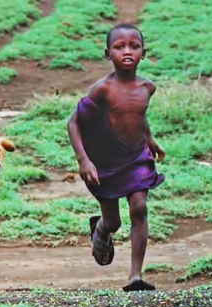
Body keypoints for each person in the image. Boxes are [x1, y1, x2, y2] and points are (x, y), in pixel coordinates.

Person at [66, 23, 165, 291]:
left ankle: (135, 275)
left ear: (143, 52)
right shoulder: (102, 90)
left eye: (134, 46)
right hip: (105, 164)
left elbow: (139, 116)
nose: (127, 51)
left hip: (136, 159)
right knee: (114, 222)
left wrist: (150, 139)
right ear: (108, 53)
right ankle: (101, 229)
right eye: (119, 47)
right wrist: (83, 160)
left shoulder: (148, 88)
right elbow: (73, 123)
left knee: (139, 208)